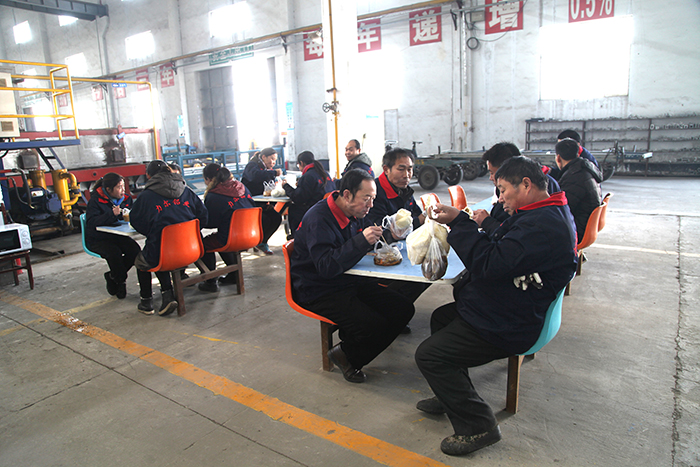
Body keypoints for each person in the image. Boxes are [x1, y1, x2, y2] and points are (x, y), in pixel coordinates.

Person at [414, 156, 578, 456]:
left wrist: (459, 223)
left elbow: (489, 263)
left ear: (525, 184)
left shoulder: (542, 226)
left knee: (429, 355)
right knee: (442, 318)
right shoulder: (543, 210)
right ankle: (450, 394)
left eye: (502, 190)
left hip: (511, 321)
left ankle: (479, 425)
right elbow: (506, 242)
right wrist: (467, 221)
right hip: (513, 305)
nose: (500, 199)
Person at [290, 169, 414, 383]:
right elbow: (326, 267)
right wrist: (361, 241)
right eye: (366, 198)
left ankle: (349, 344)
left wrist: (389, 235)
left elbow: (362, 241)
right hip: (317, 288)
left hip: (347, 279)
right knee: (374, 325)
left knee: (403, 309)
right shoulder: (319, 218)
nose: (371, 205)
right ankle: (347, 356)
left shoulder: (355, 213)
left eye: (373, 198)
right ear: (347, 195)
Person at [130, 160, 208, 316]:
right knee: (158, 248)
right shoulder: (186, 191)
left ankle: (147, 301)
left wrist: (153, 232)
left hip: (163, 253)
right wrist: (188, 233)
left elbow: (136, 221)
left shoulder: (145, 197)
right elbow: (203, 216)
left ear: (148, 176)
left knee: (143, 260)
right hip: (192, 250)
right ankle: (167, 295)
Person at [366, 147, 429, 312]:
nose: (407, 175)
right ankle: (389, 313)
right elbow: (380, 232)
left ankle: (396, 310)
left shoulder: (404, 190)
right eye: (401, 169)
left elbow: (416, 215)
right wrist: (419, 220)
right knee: (417, 279)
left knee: (430, 271)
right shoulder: (375, 193)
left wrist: (424, 218)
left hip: (402, 249)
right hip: (377, 254)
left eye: (410, 169)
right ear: (386, 169)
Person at [473, 142, 560, 238]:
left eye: (492, 173)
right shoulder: (542, 184)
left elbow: (514, 235)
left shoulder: (536, 201)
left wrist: (487, 222)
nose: (501, 200)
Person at [85, 173, 148, 300]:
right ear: (108, 189)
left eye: (123, 186)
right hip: (99, 238)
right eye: (119, 187)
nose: (123, 190)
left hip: (118, 235)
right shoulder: (95, 201)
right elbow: (91, 222)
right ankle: (120, 281)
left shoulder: (126, 199)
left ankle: (113, 276)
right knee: (114, 253)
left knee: (135, 251)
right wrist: (111, 214)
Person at [198, 163, 256, 292]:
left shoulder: (214, 195)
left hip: (230, 238)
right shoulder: (242, 187)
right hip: (252, 235)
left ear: (208, 179)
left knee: (202, 244)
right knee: (224, 234)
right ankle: (234, 274)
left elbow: (210, 222)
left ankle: (210, 281)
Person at [555, 138, 603, 243]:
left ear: (558, 158)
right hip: (585, 224)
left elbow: (562, 209)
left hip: (577, 230)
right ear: (577, 154)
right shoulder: (585, 169)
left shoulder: (574, 177)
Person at [282, 151, 335, 236]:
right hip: (329, 208)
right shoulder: (324, 173)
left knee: (294, 209)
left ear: (301, 163)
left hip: (315, 210)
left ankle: (297, 237)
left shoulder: (308, 176)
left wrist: (285, 186)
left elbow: (297, 198)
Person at [241, 147, 283, 255]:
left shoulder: (267, 170)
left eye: (275, 160)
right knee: (264, 219)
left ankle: (262, 241)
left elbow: (271, 188)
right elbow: (255, 176)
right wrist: (273, 173)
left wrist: (272, 204)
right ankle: (254, 240)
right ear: (263, 157)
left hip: (262, 203)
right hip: (249, 204)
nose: (273, 162)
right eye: (271, 159)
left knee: (276, 217)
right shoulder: (252, 165)